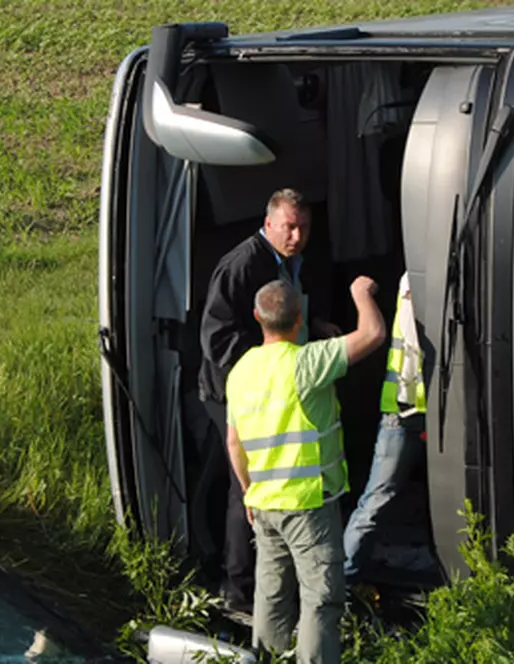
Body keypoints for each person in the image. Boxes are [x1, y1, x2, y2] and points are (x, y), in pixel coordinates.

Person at [224, 277, 386, 663]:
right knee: (321, 599)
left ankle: (268, 659)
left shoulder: (240, 372)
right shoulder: (306, 362)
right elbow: (373, 333)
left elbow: (234, 443)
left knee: (272, 598)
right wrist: (360, 293)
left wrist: (248, 492)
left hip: (264, 505)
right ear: (299, 319)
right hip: (308, 504)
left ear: (257, 317)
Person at [198, 188, 340, 613]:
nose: (297, 236)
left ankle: (255, 578)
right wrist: (264, 372)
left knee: (243, 482)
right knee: (246, 488)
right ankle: (238, 590)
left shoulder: (294, 261)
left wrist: (316, 324)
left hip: (269, 387)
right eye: (289, 227)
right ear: (269, 223)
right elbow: (216, 337)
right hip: (237, 391)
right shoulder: (243, 265)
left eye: (304, 228)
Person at [342, 272, 431, 584]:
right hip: (405, 408)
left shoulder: (424, 276)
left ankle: (345, 578)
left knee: (380, 498)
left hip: (415, 407)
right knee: (377, 499)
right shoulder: (413, 280)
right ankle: (344, 579)